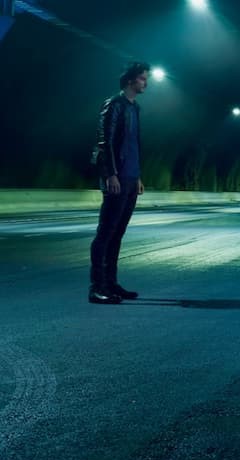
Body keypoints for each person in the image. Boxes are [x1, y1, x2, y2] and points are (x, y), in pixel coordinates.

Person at [88, 61, 149, 304]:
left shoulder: (135, 108)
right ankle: (97, 287)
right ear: (130, 81)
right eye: (143, 78)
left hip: (131, 177)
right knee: (106, 233)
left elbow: (133, 145)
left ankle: (111, 284)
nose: (146, 82)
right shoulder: (113, 105)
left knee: (118, 233)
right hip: (116, 177)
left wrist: (138, 176)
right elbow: (105, 142)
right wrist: (110, 174)